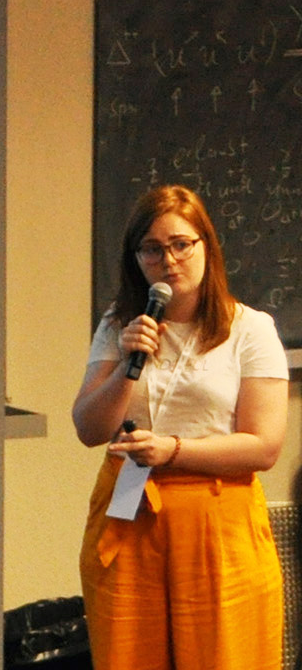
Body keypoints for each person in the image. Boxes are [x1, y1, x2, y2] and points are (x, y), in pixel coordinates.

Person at [71, 184, 287, 670]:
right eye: (152, 248)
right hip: (128, 508)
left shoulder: (250, 329)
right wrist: (129, 359)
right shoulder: (120, 324)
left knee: (225, 657)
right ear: (137, 259)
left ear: (205, 246)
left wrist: (172, 449)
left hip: (217, 519)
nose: (168, 260)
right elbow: (88, 427)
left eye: (181, 244)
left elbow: (264, 447)